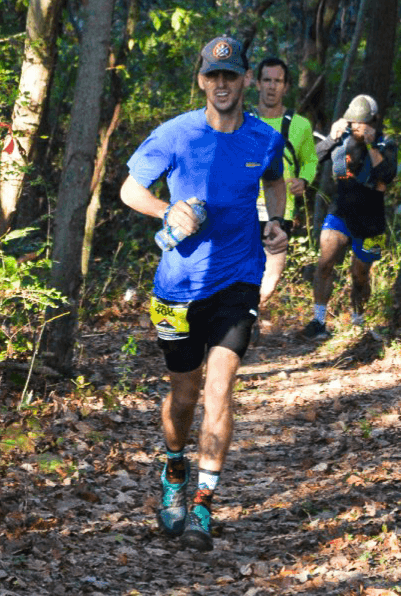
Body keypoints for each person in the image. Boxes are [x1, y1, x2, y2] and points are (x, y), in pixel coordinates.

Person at [119, 34, 288, 551]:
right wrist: (166, 211)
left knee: (219, 390)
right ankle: (174, 470)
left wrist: (278, 222)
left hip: (238, 281)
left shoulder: (264, 138)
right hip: (177, 287)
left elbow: (275, 181)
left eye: (231, 76)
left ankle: (202, 508)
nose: (222, 84)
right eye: (213, 76)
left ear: (246, 82)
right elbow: (130, 190)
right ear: (201, 80)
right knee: (184, 396)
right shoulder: (174, 135)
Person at [300, 93, 398, 341]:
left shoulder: (387, 143)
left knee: (361, 274)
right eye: (352, 121)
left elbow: (387, 175)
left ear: (373, 120)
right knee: (325, 263)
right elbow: (314, 157)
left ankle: (358, 319)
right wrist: (332, 137)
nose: (355, 126)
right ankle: (318, 321)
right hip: (340, 211)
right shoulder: (341, 138)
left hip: (372, 220)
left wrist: (371, 144)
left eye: (360, 122)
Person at [254, 57, 318, 317]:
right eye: (267, 80)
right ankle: (242, 318)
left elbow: (310, 160)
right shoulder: (242, 121)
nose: (271, 86)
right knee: (240, 267)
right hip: (244, 206)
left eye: (277, 81)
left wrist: (304, 180)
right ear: (257, 84)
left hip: (280, 210)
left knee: (272, 272)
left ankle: (250, 310)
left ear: (286, 87)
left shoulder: (299, 125)